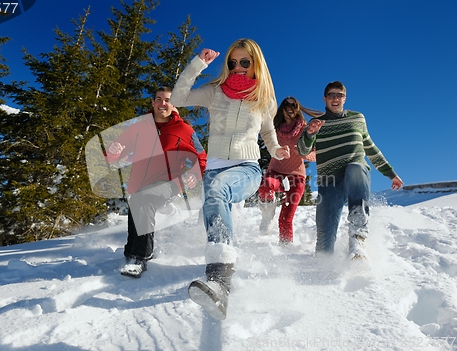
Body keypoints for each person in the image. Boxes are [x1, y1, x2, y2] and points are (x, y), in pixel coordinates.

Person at [170, 38, 290, 320]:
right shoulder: (214, 93)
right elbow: (178, 98)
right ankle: (220, 284)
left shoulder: (264, 99)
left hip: (247, 168)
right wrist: (199, 64)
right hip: (214, 169)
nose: (238, 68)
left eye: (244, 63)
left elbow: (268, 134)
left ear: (255, 65)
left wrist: (276, 150)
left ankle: (219, 278)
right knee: (214, 193)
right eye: (232, 63)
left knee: (219, 189)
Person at [105, 87, 207, 278]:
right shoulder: (138, 127)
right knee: (137, 201)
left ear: (174, 104)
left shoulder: (184, 130)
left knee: (143, 199)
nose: (162, 103)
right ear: (152, 103)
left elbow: (201, 157)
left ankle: (141, 257)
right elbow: (114, 154)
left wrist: (194, 173)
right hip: (139, 183)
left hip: (170, 182)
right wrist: (114, 150)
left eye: (167, 100)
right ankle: (131, 251)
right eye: (158, 99)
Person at [297, 81, 403, 259]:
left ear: (345, 98)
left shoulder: (357, 118)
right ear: (325, 98)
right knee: (324, 246)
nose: (335, 98)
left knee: (355, 168)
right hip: (328, 180)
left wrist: (391, 174)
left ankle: (357, 239)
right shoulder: (316, 124)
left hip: (355, 174)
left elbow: (370, 147)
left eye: (339, 95)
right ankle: (324, 272)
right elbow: (302, 151)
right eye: (331, 95)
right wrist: (309, 134)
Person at [258, 96, 323, 244]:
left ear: (298, 109)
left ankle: (286, 249)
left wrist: (305, 154)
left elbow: (315, 154)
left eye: (294, 105)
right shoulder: (273, 128)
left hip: (296, 177)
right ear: (282, 107)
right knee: (265, 187)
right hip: (276, 172)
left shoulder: (306, 130)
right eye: (287, 104)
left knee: (286, 218)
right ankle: (268, 215)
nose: (290, 107)